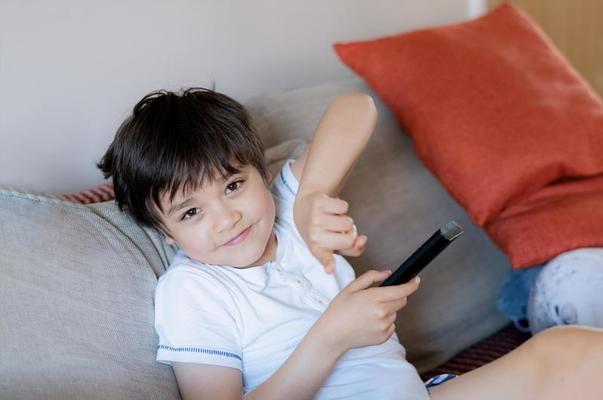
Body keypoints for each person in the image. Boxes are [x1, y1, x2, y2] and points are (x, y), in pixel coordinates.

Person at [98, 87, 603, 400]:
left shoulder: (291, 214)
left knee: (571, 352)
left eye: (233, 186)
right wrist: (332, 335)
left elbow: (355, 108)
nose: (227, 217)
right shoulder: (192, 290)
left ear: (260, 173)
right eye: (191, 212)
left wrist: (311, 194)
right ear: (167, 233)